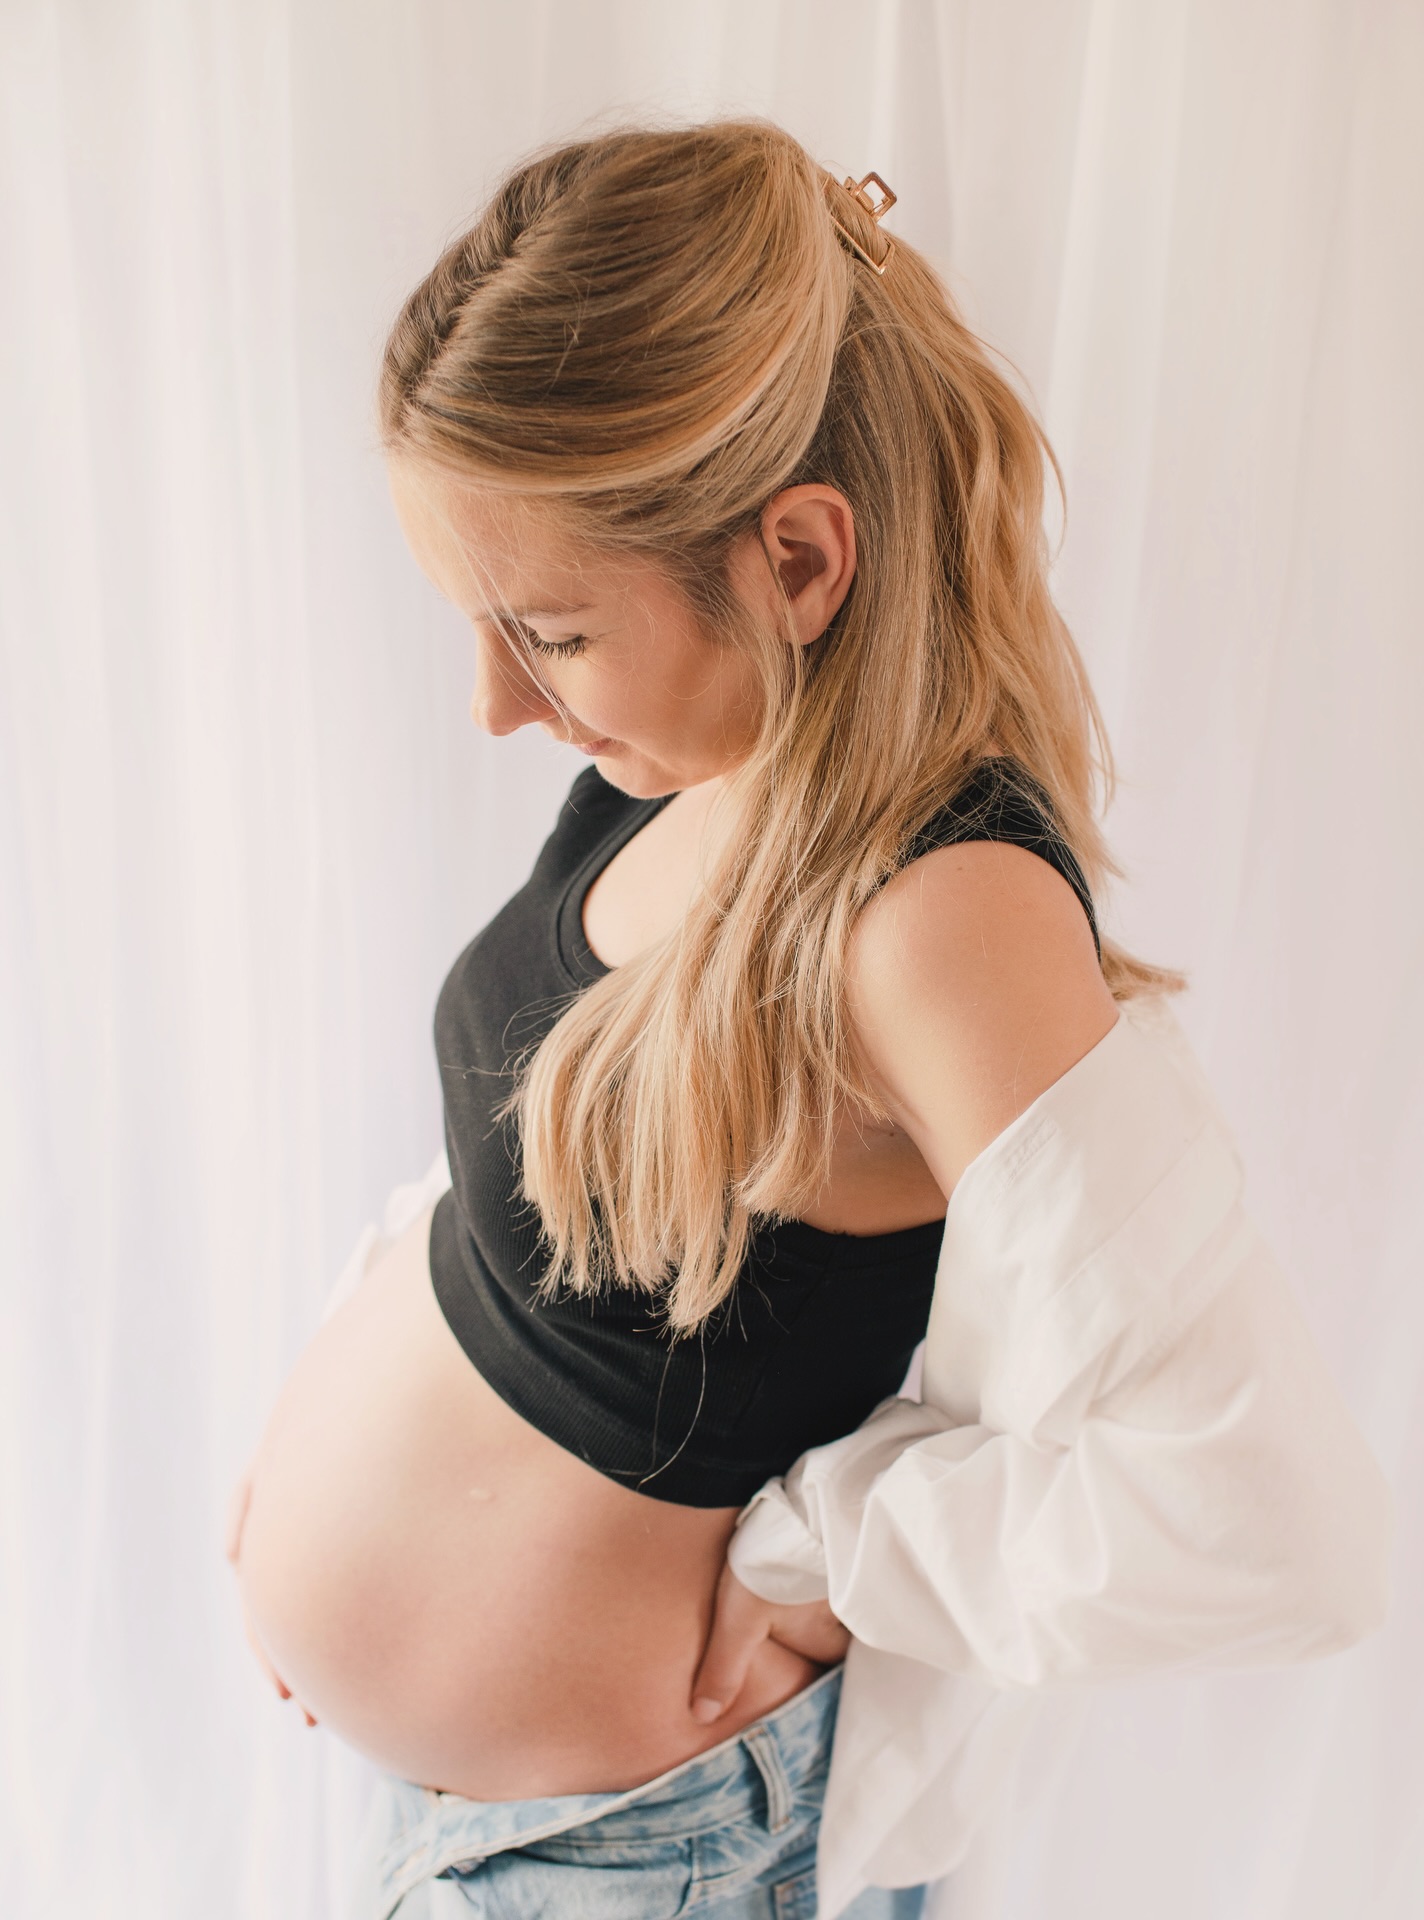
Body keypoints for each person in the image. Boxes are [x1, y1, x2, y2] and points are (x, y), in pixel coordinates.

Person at [225, 120, 1393, 1919]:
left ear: (800, 560)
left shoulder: (938, 916)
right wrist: (342, 1470)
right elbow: (566, 1180)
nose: (489, 704)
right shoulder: (691, 762)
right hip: (472, 1815)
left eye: (544, 632)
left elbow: (1262, 1519)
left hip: (634, 1857)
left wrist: (829, 1553)